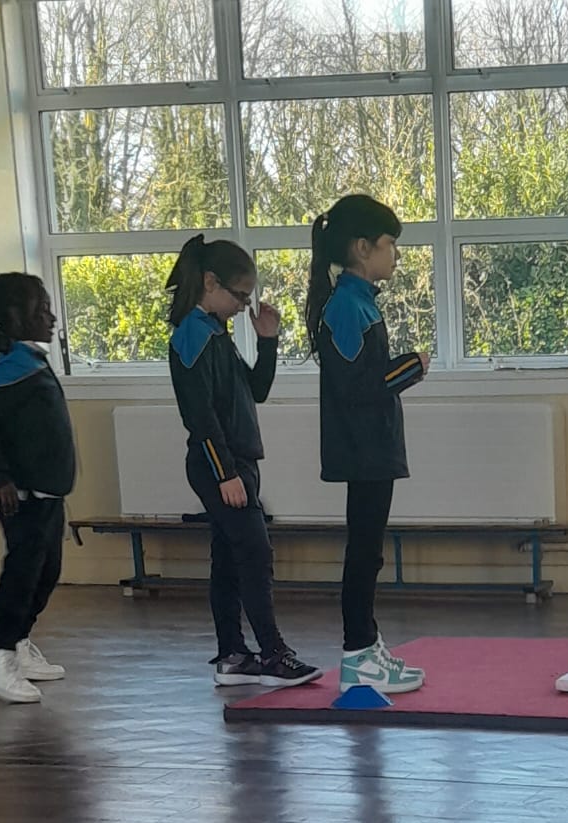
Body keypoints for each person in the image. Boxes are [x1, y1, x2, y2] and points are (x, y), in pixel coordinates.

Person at [165, 234, 319, 690]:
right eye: (240, 296)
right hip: (220, 466)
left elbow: (256, 391)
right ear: (210, 282)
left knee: (230, 560)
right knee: (255, 554)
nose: (242, 306)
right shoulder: (192, 335)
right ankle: (273, 653)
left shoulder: (216, 332)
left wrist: (267, 341)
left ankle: (233, 656)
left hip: (238, 463)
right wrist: (225, 473)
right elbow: (199, 415)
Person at [304, 194, 429, 698]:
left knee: (368, 551)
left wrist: (403, 370)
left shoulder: (359, 302)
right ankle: (357, 653)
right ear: (362, 247)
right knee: (364, 552)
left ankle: (367, 643)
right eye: (389, 244)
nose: (395, 255)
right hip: (363, 448)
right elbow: (358, 387)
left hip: (373, 445)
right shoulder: (347, 307)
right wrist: (411, 367)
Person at [0, 273, 75, 705]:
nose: (51, 317)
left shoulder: (32, 362)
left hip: (48, 496)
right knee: (23, 573)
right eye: (42, 310)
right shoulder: (13, 370)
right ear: (17, 318)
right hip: (26, 499)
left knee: (47, 573)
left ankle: (18, 645)